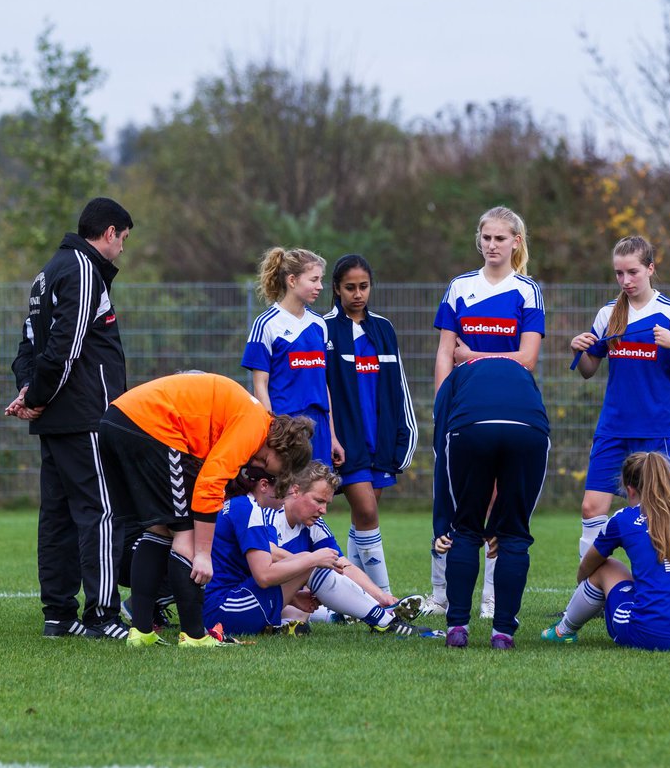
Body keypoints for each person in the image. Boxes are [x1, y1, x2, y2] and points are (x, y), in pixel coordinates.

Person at [97, 372, 314, 648]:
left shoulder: (251, 416)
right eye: (273, 467)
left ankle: (141, 632)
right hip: (152, 428)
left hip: (117, 421)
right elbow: (209, 485)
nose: (260, 465)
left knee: (160, 529)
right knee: (184, 534)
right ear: (281, 450)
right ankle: (194, 635)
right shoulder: (254, 425)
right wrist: (202, 554)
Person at [8, 197, 133, 639]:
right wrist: (37, 395)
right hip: (86, 416)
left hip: (57, 417)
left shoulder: (47, 273)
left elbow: (27, 345)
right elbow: (66, 346)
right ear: (110, 232)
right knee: (99, 511)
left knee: (57, 516)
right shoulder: (83, 268)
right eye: (123, 240)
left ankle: (58, 616)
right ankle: (102, 615)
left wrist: (28, 392)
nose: (121, 250)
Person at [432, 207, 544, 618]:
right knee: (453, 497)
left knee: (499, 502)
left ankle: (492, 599)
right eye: (487, 238)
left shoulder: (527, 290)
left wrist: (473, 355)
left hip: (505, 405)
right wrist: (443, 403)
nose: (493, 245)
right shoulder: (460, 287)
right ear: (478, 240)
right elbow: (446, 352)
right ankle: (442, 594)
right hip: (462, 410)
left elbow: (527, 358)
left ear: (516, 241)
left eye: (501, 238)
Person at [570, 235, 670, 573]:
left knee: (658, 509)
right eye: (619, 273)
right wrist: (577, 350)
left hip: (657, 429)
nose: (626, 281)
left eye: (633, 272)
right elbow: (588, 370)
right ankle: (592, 592)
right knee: (591, 508)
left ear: (650, 269)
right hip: (613, 428)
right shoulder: (608, 315)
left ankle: (663, 582)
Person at [203, 463, 426, 639]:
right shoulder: (261, 512)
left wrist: (380, 596)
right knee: (312, 567)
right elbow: (264, 567)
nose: (324, 510)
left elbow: (340, 564)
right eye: (318, 500)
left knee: (303, 610)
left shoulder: (312, 525)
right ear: (295, 491)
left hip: (248, 598)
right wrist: (309, 561)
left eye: (327, 503)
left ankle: (367, 611)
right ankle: (383, 621)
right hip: (231, 604)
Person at [541, 452, 670, 650]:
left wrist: (584, 584)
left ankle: (563, 631)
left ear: (630, 490)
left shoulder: (623, 519)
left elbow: (587, 566)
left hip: (652, 633)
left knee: (606, 566)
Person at [432, 357, 550, 649]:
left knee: (465, 529)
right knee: (515, 533)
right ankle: (503, 633)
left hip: (471, 429)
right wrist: (497, 524)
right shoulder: (521, 371)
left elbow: (441, 437)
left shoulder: (458, 374)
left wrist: (444, 524)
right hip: (529, 431)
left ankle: (457, 626)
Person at [324, 254, 418, 595]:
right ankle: (385, 599)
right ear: (336, 288)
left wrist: (405, 436)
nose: (358, 294)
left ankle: (350, 597)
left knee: (364, 516)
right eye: (350, 287)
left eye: (363, 287)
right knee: (365, 511)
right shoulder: (324, 329)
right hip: (348, 443)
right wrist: (328, 437)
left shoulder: (383, 328)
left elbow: (400, 387)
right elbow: (322, 388)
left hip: (379, 439)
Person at [242, 247, 344, 468]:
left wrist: (333, 437)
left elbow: (323, 384)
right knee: (288, 495)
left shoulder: (319, 324)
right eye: (314, 279)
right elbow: (260, 385)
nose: (320, 286)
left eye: (321, 280)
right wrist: (271, 431)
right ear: (292, 280)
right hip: (286, 426)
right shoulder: (266, 323)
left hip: (320, 427)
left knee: (319, 494)